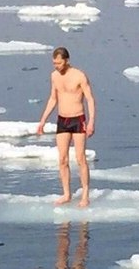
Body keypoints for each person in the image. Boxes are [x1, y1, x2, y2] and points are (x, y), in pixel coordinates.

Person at [37, 47, 96, 207]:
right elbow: (53, 99)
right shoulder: (54, 76)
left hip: (78, 119)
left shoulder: (79, 76)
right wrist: (42, 120)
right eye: (54, 63)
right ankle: (67, 194)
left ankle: (85, 194)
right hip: (62, 120)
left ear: (67, 61)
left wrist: (91, 122)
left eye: (59, 63)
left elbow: (90, 99)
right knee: (62, 159)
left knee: (80, 158)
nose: (56, 66)